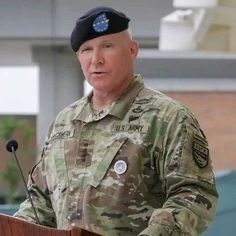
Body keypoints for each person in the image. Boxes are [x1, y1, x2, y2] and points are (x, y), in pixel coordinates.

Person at [14, 6, 218, 236]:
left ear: (132, 50)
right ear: (78, 58)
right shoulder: (64, 122)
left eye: (107, 46)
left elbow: (194, 196)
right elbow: (40, 200)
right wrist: (15, 229)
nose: (96, 60)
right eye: (86, 50)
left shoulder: (168, 118)